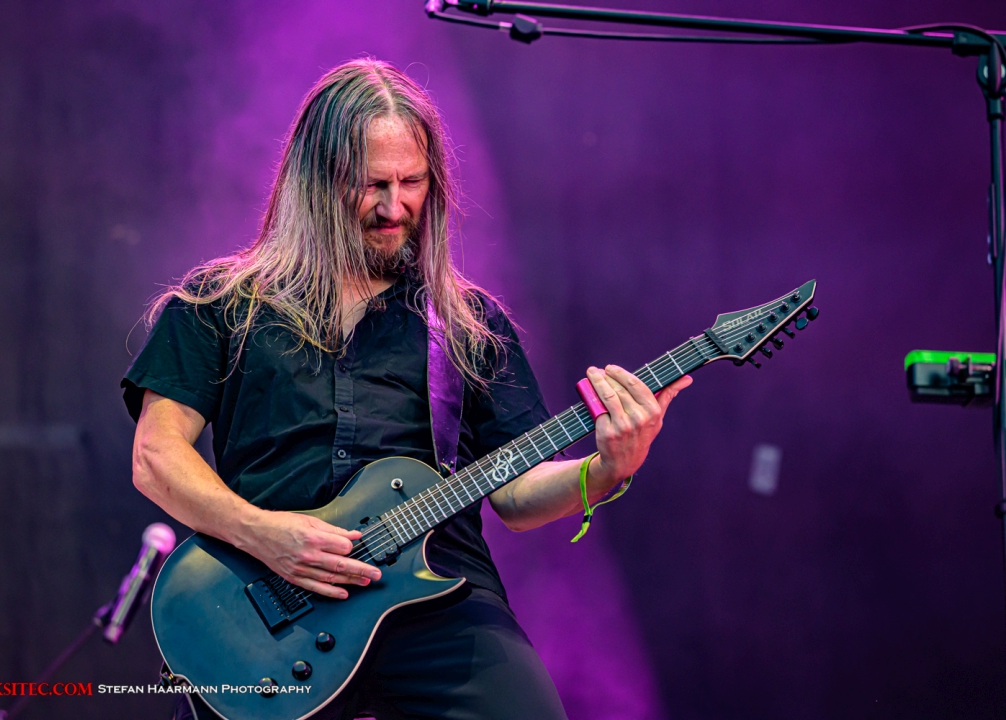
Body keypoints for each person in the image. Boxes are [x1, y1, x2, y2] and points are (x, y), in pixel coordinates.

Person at [122, 58, 691, 720]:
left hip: (437, 598)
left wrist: (608, 467)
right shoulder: (222, 304)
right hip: (270, 602)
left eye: (412, 182)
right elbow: (156, 457)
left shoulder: (468, 323)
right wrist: (262, 533)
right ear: (315, 181)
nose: (395, 207)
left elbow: (516, 494)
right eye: (371, 185)